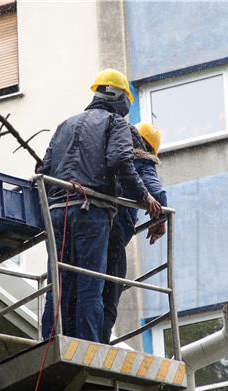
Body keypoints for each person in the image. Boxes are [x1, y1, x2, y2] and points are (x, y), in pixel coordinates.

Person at [38, 68, 162, 343]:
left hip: (56, 214)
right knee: (90, 288)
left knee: (58, 287)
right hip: (91, 213)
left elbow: (42, 171)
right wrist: (146, 199)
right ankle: (90, 348)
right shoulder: (115, 124)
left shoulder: (64, 125)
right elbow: (120, 162)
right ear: (120, 97)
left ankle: (49, 343)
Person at [101, 123, 167, 344]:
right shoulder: (142, 161)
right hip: (114, 230)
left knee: (87, 288)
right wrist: (159, 219)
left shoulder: (109, 154)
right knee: (111, 288)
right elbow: (157, 192)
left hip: (92, 226)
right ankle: (98, 342)